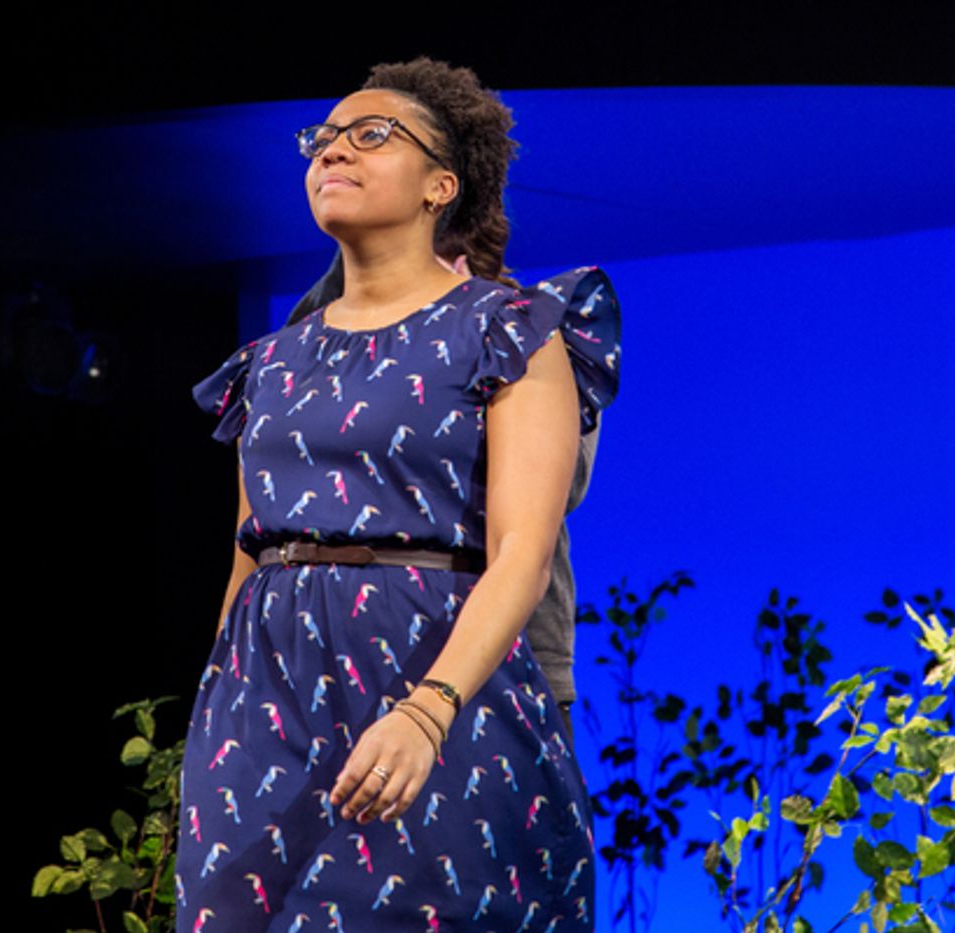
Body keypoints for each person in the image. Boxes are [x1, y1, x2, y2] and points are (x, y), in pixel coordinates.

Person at [176, 58, 621, 931]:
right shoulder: (270, 361)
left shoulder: (510, 331)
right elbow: (249, 553)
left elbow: (522, 553)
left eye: (371, 135)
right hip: (266, 696)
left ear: (439, 185)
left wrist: (429, 709)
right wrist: (212, 717)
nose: (334, 150)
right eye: (323, 138)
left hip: (432, 669)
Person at [287, 252, 603, 748]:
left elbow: (563, 484)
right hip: (350, 661)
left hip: (513, 658)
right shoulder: (318, 326)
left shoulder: (524, 331)